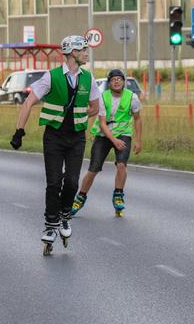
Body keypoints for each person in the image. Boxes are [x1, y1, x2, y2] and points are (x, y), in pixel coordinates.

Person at [10, 35, 100, 256]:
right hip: (54, 137)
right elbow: (30, 101)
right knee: (54, 182)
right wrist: (19, 130)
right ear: (72, 53)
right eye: (84, 50)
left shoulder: (89, 78)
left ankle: (65, 215)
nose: (87, 53)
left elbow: (95, 108)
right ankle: (51, 225)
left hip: (76, 138)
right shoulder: (51, 77)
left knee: (71, 182)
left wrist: (75, 117)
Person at [72, 69, 142, 218]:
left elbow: (137, 118)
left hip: (123, 134)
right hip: (104, 135)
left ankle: (118, 195)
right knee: (94, 168)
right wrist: (114, 140)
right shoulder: (103, 98)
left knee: (122, 165)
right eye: (113, 79)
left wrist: (138, 141)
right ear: (109, 83)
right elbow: (103, 123)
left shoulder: (132, 97)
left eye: (119, 79)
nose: (116, 81)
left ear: (124, 82)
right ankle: (80, 197)